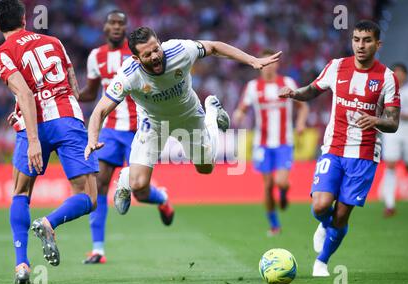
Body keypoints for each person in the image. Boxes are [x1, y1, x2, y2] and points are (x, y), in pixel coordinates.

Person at [84, 27, 281, 217]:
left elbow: (213, 47)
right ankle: (127, 178)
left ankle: (211, 111)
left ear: (160, 43)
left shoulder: (180, 50)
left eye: (156, 49)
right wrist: (92, 138)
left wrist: (251, 59)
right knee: (138, 185)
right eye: (147, 55)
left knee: (206, 168)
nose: (154, 56)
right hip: (153, 123)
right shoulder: (129, 75)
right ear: (136, 58)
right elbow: (100, 110)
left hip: (188, 115)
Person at [279, 20, 400, 277]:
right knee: (321, 206)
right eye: (356, 39)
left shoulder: (387, 78)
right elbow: (312, 90)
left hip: (364, 155)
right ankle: (323, 225)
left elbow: (393, 122)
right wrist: (293, 93)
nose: (360, 45)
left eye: (367, 40)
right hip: (333, 147)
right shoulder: (336, 66)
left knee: (342, 216)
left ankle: (321, 262)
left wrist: (376, 120)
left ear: (378, 44)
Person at [0, 0, 99, 284]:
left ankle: (21, 265)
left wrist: (35, 140)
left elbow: (25, 94)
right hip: (67, 118)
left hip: (32, 127)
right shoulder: (54, 41)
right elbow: (74, 88)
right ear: (25, 20)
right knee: (89, 197)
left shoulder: (1, 54)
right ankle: (49, 222)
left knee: (21, 192)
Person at [78, 11, 173, 265]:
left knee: (139, 192)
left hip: (138, 127)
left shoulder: (137, 55)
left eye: (121, 23)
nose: (117, 27)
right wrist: (67, 95)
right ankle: (98, 249)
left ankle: (161, 198)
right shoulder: (95, 57)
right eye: (113, 23)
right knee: (99, 185)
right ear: (105, 27)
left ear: (126, 28)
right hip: (109, 129)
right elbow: (91, 92)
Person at [233, 48, 309, 236]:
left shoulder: (287, 83)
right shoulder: (252, 87)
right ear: (259, 66)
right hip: (263, 143)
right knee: (267, 186)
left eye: (271, 62)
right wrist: (239, 115)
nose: (268, 67)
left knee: (281, 182)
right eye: (264, 63)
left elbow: (303, 106)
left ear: (276, 64)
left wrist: (300, 123)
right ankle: (274, 224)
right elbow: (242, 108)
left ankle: (283, 192)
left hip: (284, 142)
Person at [381, 63, 408, 217]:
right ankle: (389, 204)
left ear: (406, 75)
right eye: (396, 73)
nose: (399, 76)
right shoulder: (387, 90)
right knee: (391, 164)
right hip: (392, 131)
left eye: (401, 73)